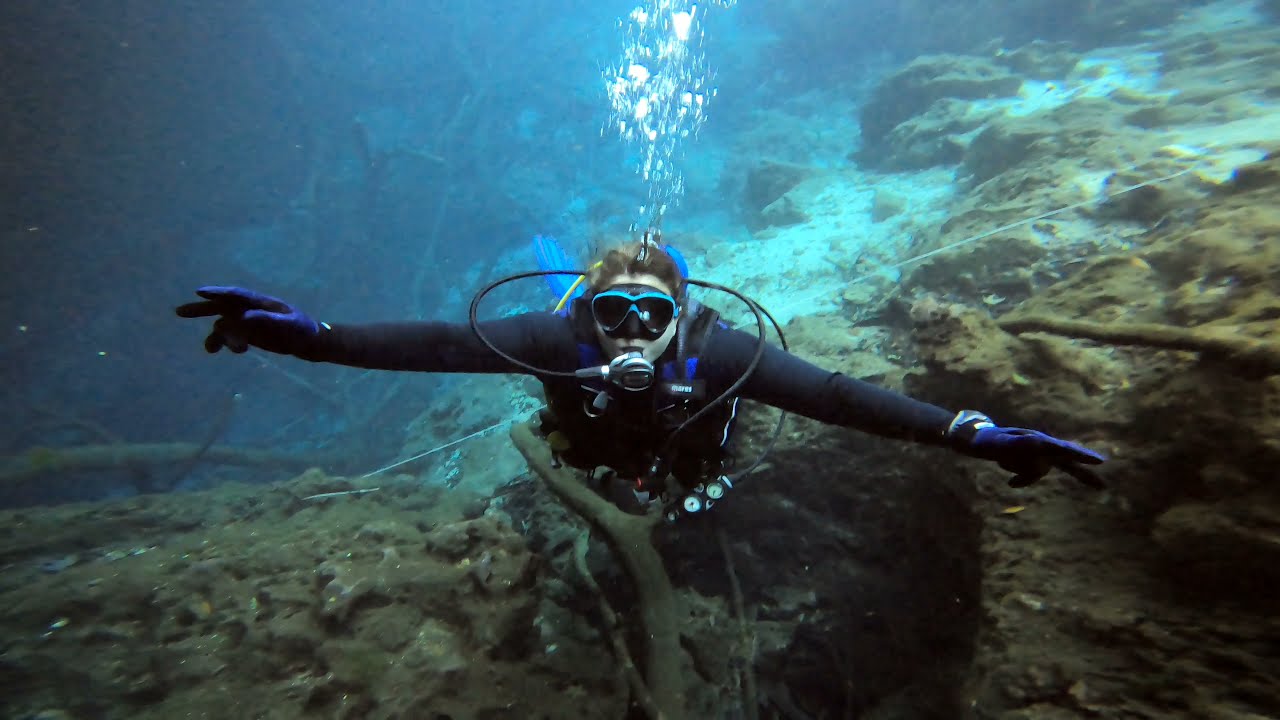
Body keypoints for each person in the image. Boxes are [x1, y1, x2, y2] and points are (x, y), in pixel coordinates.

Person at [176, 238, 1104, 519]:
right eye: (611, 310)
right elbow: (436, 345)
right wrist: (318, 336)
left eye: (650, 315)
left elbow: (832, 397)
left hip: (701, 469)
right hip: (581, 460)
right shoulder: (556, 336)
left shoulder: (724, 352)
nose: (629, 331)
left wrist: (967, 432)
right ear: (587, 307)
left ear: (679, 314)